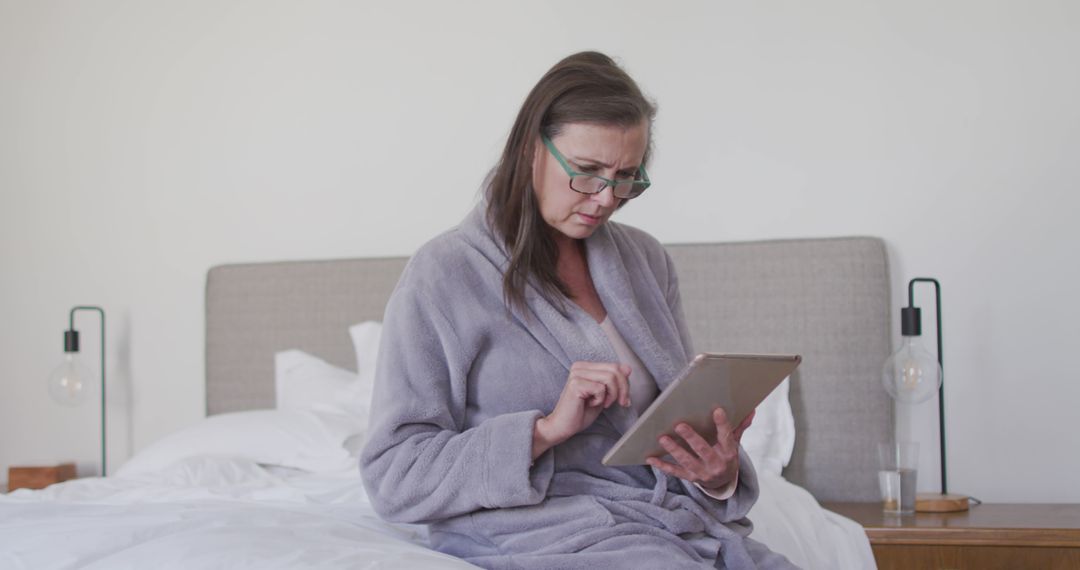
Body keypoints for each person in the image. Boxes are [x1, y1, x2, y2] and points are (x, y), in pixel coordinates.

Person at [360, 51, 797, 569]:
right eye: (587, 173)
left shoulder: (645, 262)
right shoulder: (445, 274)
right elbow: (394, 475)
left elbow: (667, 425)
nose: (606, 198)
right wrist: (544, 430)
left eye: (626, 178)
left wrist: (715, 473)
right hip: (538, 528)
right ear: (530, 150)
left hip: (663, 521)